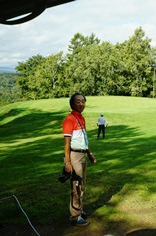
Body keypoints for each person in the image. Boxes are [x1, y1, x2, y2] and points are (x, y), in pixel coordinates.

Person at [62, 93, 97, 226]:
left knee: (81, 185)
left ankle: (80, 210)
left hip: (82, 155)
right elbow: (66, 143)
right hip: (74, 156)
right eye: (78, 101)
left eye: (83, 101)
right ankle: (75, 216)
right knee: (75, 187)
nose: (81, 104)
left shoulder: (81, 118)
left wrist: (90, 154)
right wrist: (67, 162)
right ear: (72, 104)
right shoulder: (69, 119)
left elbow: (84, 140)